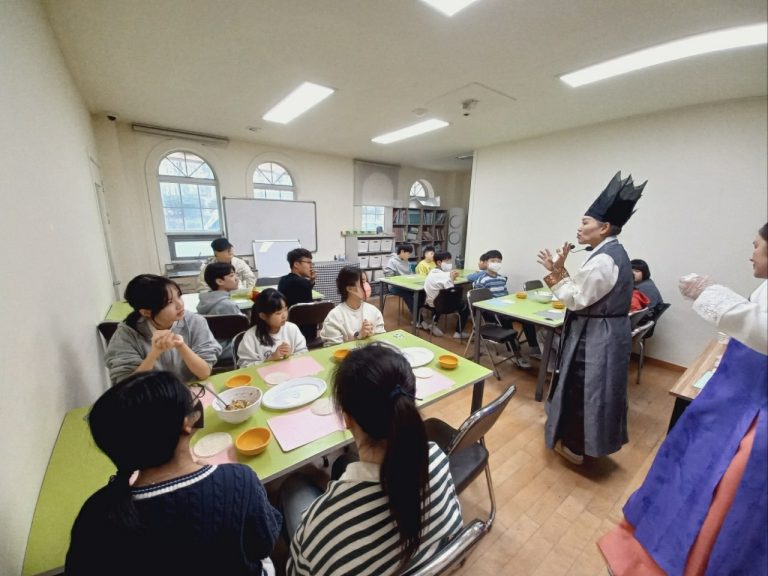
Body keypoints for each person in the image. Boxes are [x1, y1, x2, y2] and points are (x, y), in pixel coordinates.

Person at [597, 223, 767, 575]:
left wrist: (712, 292)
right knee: (689, 477)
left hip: (751, 411)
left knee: (724, 495)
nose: (751, 253)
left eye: (756, 245)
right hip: (732, 397)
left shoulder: (609, 257)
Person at [65, 371, 282, 576]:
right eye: (193, 398)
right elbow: (264, 542)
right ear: (186, 424)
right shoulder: (238, 481)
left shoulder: (95, 513)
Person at [283, 344, 463, 576]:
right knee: (344, 462)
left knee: (293, 487)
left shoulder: (319, 525)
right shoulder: (437, 458)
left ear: (347, 419)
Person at [536, 171, 645, 465]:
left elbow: (576, 299)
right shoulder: (609, 253)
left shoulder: (605, 259)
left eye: (585, 222)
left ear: (605, 227)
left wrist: (555, 274)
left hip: (596, 335)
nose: (579, 227)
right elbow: (583, 291)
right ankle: (585, 442)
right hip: (604, 329)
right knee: (597, 389)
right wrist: (559, 269)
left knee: (584, 388)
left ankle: (576, 447)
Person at [105, 274, 221, 384]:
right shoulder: (127, 333)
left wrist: (181, 346)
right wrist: (155, 353)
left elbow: (204, 373)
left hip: (190, 390)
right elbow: (128, 385)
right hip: (149, 394)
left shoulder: (195, 322)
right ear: (146, 312)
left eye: (179, 296)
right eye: (169, 302)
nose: (180, 304)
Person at [473, 249, 534, 367]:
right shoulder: (482, 280)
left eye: (499, 261)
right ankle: (516, 354)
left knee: (527, 319)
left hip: (505, 309)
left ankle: (534, 348)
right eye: (493, 261)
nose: (496, 263)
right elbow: (479, 302)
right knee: (506, 321)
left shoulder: (501, 279)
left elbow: (505, 295)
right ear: (486, 263)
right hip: (490, 312)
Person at [237, 288, 307, 367]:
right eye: (278, 313)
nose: (284, 316)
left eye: (285, 309)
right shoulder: (251, 336)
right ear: (263, 316)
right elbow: (244, 365)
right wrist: (271, 359)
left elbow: (304, 352)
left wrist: (291, 355)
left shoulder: (292, 328)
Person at [319, 266, 385, 345]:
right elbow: (335, 349)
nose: (367, 285)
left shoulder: (373, 311)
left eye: (366, 281)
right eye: (362, 282)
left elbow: (382, 340)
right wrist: (359, 336)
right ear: (350, 289)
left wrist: (372, 335)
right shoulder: (334, 317)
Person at [197, 261, 247, 359]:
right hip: (228, 348)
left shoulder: (203, 302)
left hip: (210, 347)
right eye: (232, 276)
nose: (237, 278)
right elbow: (242, 332)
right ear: (220, 281)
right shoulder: (228, 305)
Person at [423, 251, 470, 339]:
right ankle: (458, 332)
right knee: (465, 305)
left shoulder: (432, 272)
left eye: (449, 261)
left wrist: (450, 277)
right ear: (439, 262)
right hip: (442, 306)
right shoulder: (445, 275)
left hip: (431, 302)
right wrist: (451, 278)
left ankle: (434, 323)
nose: (449, 263)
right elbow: (451, 292)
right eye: (447, 261)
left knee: (441, 297)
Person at [277, 248, 317, 342]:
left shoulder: (283, 280)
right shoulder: (303, 283)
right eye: (308, 263)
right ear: (296, 264)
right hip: (306, 334)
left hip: (286, 332)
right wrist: (309, 282)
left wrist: (310, 281)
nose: (311, 266)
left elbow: (300, 290)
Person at [383, 243, 418, 319]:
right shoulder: (392, 261)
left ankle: (416, 314)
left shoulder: (407, 261)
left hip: (407, 285)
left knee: (419, 293)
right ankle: (417, 318)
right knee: (407, 294)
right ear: (402, 251)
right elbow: (389, 277)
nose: (409, 255)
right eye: (408, 253)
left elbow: (410, 273)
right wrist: (402, 279)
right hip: (394, 286)